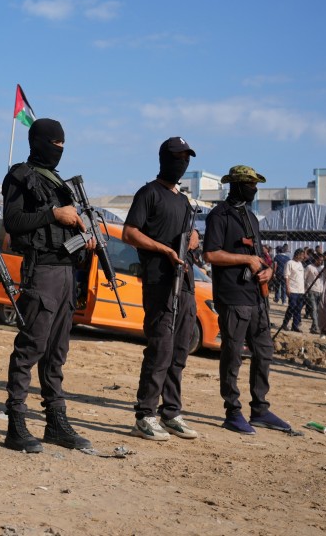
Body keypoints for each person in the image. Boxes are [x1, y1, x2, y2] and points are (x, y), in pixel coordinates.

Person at [1, 118, 95, 453]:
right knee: (30, 348)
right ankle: (16, 423)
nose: (59, 149)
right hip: (41, 272)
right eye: (54, 143)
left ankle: (56, 423)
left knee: (57, 353)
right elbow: (12, 222)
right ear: (39, 142)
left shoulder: (58, 182)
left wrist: (84, 238)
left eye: (62, 144)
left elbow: (64, 225)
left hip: (67, 273)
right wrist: (55, 215)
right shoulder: (20, 175)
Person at [122, 137, 201, 442]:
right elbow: (130, 233)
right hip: (159, 282)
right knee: (160, 350)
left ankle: (171, 413)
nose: (182, 163)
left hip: (186, 284)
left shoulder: (183, 201)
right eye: (177, 157)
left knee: (179, 351)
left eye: (186, 158)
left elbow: (187, 234)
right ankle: (145, 415)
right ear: (164, 159)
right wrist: (164, 251)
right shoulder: (149, 193)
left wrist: (193, 236)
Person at [203, 165, 290, 435]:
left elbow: (259, 253)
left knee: (264, 352)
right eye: (250, 185)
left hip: (256, 297)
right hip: (233, 297)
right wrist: (247, 259)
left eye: (256, 185)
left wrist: (268, 269)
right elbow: (211, 255)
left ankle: (260, 409)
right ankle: (232, 411)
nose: (254, 189)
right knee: (233, 355)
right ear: (237, 185)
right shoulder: (220, 215)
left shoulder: (251, 217)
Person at [282, 248, 306, 332]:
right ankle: (285, 324)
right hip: (293, 289)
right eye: (302, 255)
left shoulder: (300, 264)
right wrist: (287, 288)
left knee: (298, 309)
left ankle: (295, 326)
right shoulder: (289, 263)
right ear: (297, 255)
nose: (303, 257)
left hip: (301, 290)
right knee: (291, 307)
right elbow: (286, 276)